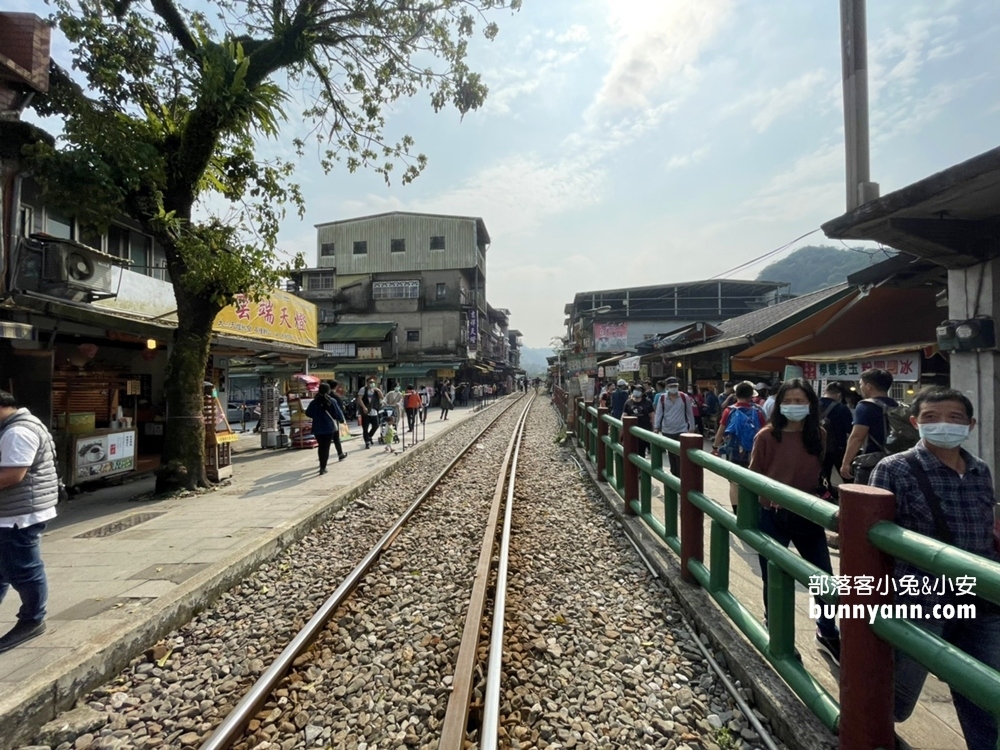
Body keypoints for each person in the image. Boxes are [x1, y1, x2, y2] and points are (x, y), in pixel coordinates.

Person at [869, 388, 1000, 750]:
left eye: (955, 418)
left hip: (982, 597)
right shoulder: (893, 468)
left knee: (985, 690)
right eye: (930, 417)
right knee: (898, 693)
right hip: (922, 598)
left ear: (971, 425)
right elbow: (873, 541)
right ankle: (864, 733)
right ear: (915, 423)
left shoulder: (979, 469)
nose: (943, 424)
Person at [748, 379, 840, 665]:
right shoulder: (766, 436)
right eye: (789, 400)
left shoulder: (819, 435)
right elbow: (753, 475)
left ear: (811, 404)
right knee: (772, 574)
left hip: (808, 514)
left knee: (823, 577)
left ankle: (827, 631)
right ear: (779, 403)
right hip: (772, 513)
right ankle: (774, 624)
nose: (794, 406)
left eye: (800, 401)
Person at [0, 391, 59, 653]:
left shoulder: (18, 432)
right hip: (14, 511)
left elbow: (13, 474)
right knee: (3, 569)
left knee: (24, 569)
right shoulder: (16, 426)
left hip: (18, 515)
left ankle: (32, 620)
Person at [712, 381, 768, 513]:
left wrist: (715, 447)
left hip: (734, 451)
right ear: (751, 396)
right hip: (753, 451)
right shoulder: (759, 411)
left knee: (734, 482)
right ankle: (752, 510)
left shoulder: (729, 411)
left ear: (736, 395)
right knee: (753, 479)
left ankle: (737, 512)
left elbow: (721, 432)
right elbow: (765, 432)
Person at [839, 368, 898, 482]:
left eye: (861, 384)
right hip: (895, 459)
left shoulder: (865, 406)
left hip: (872, 463)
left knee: (866, 498)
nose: (860, 388)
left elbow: (857, 437)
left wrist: (846, 463)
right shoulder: (896, 405)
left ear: (869, 386)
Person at [652, 376, 695, 475]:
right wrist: (656, 427)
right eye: (671, 386)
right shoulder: (662, 398)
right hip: (667, 430)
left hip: (682, 429)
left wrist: (691, 428)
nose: (674, 388)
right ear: (667, 387)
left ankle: (680, 475)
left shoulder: (684, 397)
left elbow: (689, 413)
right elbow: (659, 413)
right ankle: (674, 474)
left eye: (675, 385)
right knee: (671, 454)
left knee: (680, 454)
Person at [818, 383, 852, 496]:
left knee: (823, 475)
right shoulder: (842, 408)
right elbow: (850, 429)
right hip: (838, 448)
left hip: (818, 447)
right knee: (847, 476)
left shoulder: (813, 405)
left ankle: (826, 496)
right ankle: (851, 498)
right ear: (839, 394)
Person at [305, 384, 346, 474]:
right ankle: (323, 468)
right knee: (326, 447)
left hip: (317, 428)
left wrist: (317, 416)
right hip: (329, 427)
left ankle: (321, 465)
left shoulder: (314, 402)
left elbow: (308, 413)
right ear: (328, 391)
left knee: (321, 447)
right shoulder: (332, 401)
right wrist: (341, 420)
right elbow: (339, 414)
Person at [622, 386, 655, 457]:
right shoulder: (628, 402)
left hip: (645, 430)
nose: (636, 391)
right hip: (631, 432)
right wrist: (621, 429)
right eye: (635, 390)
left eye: (638, 390)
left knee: (642, 452)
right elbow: (624, 416)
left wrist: (654, 429)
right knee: (632, 451)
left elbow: (652, 416)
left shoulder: (647, 402)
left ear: (642, 393)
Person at [357, 377, 384, 449]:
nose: (372, 383)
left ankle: (369, 436)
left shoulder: (375, 390)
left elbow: (382, 397)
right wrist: (363, 407)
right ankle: (367, 442)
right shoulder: (363, 389)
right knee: (365, 428)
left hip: (374, 411)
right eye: (370, 382)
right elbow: (359, 399)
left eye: (373, 382)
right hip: (365, 411)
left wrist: (379, 390)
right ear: (367, 383)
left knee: (376, 425)